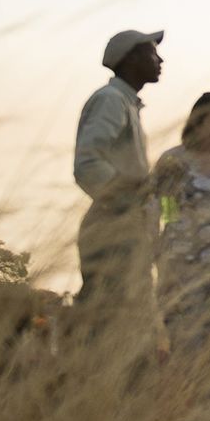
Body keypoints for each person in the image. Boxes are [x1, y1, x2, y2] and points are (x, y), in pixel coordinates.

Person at [72, 29, 164, 332]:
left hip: (125, 225)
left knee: (128, 327)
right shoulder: (111, 100)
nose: (160, 59)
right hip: (114, 227)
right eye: (152, 53)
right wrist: (125, 202)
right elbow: (87, 163)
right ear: (131, 59)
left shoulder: (125, 104)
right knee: (112, 327)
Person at [152, 92, 210, 356]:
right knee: (184, 345)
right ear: (197, 121)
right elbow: (165, 213)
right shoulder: (173, 162)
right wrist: (164, 265)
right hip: (183, 268)